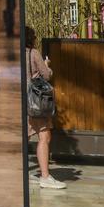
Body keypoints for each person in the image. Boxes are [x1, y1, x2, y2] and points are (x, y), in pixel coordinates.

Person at [25, 25, 66, 190]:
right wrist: (47, 64)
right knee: (44, 136)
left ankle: (23, 174)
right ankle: (45, 176)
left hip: (18, 101)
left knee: (24, 137)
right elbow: (46, 75)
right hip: (34, 101)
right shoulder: (32, 53)